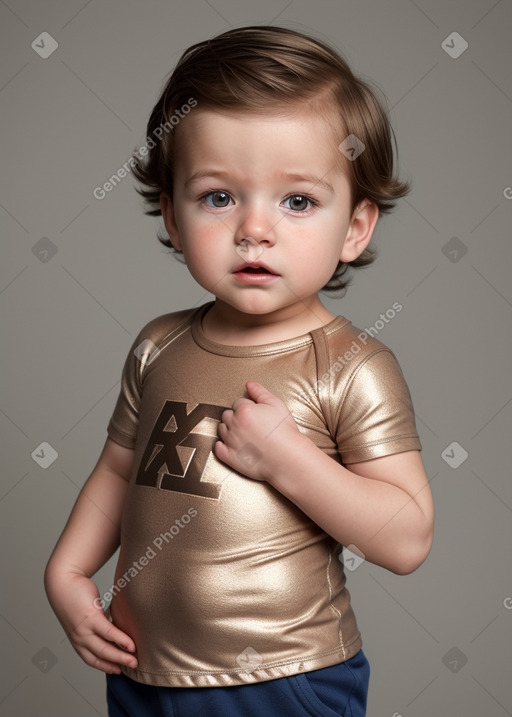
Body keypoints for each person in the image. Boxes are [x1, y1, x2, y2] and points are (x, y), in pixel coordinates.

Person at [45, 25, 434, 717]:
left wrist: (288, 459)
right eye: (219, 196)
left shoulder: (352, 365)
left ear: (356, 226)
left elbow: (406, 537)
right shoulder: (158, 345)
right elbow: (119, 470)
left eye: (298, 201)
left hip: (282, 678)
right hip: (143, 668)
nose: (255, 228)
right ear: (170, 211)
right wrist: (69, 570)